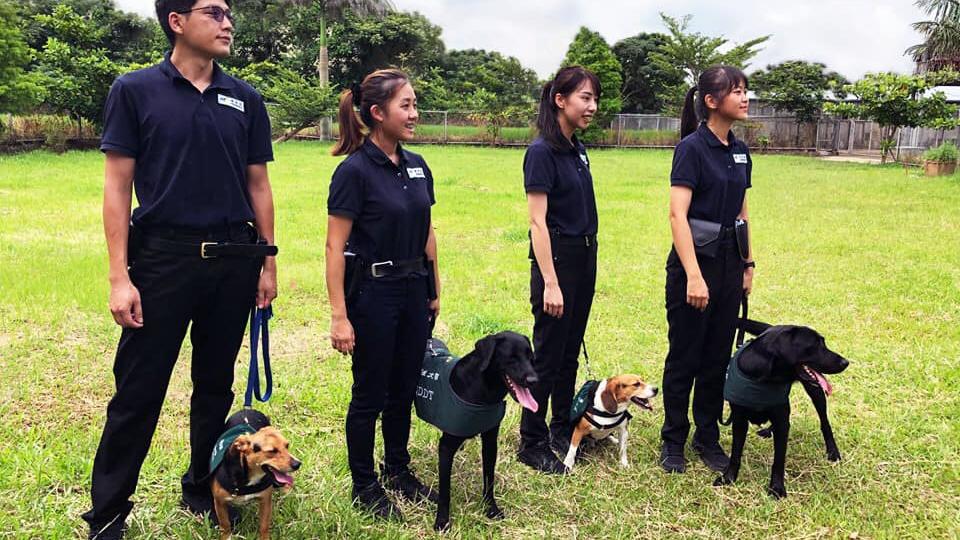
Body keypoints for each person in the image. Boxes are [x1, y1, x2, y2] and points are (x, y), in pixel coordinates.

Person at [82, 1, 277, 538]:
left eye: (229, 13)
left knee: (215, 387)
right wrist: (120, 276)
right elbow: (117, 187)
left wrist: (266, 261)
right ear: (176, 21)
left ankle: (201, 487)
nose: (228, 22)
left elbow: (258, 185)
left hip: (234, 262)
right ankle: (108, 515)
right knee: (139, 392)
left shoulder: (245, 98)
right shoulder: (135, 90)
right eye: (214, 12)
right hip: (162, 260)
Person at [325, 69, 441, 520]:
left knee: (404, 387)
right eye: (405, 106)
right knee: (370, 392)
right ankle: (364, 483)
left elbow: (427, 228)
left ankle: (398, 470)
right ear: (377, 113)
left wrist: (434, 285)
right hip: (373, 294)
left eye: (414, 104)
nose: (414, 113)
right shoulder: (354, 171)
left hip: (414, 290)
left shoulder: (416, 164)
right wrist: (340, 315)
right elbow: (335, 246)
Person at [660, 65, 756, 474]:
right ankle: (673, 440)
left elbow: (742, 211)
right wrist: (694, 275)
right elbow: (677, 216)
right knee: (685, 356)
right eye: (737, 91)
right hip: (693, 268)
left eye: (746, 90)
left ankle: (707, 436)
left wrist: (748, 262)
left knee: (717, 355)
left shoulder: (740, 150)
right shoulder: (692, 148)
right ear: (712, 101)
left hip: (730, 266)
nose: (746, 97)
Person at [517, 66, 601, 475]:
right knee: (548, 356)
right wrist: (550, 281)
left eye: (594, 98)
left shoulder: (576, 148)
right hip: (559, 261)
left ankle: (560, 427)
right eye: (585, 98)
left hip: (586, 257)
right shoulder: (542, 152)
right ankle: (531, 441)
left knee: (569, 353)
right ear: (560, 100)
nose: (592, 106)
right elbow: (538, 222)